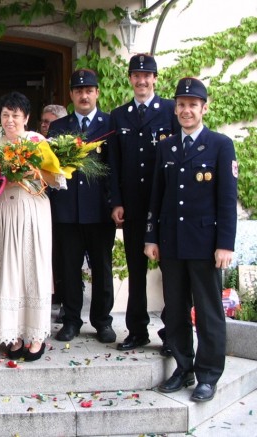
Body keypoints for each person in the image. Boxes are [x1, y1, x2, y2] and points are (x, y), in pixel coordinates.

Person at [145, 77, 237, 402]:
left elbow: (227, 199)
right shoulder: (166, 147)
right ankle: (183, 367)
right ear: (176, 108)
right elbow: (157, 196)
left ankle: (208, 376)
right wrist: (151, 237)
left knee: (209, 313)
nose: (186, 110)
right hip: (171, 243)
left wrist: (225, 244)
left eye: (193, 105)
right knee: (175, 311)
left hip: (205, 244)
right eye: (181, 105)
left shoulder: (220, 145)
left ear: (204, 108)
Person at [109, 54, 179, 353]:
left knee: (171, 272)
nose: (141, 80)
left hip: (164, 205)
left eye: (147, 75)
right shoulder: (119, 115)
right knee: (136, 271)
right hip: (134, 205)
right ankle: (137, 331)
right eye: (136, 75)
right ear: (130, 79)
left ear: (155, 79)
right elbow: (113, 163)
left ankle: (172, 334)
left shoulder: (171, 110)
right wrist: (116, 201)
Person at [0, 91, 52, 361]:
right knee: (5, 269)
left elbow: (56, 177)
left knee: (31, 267)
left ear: (26, 117)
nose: (10, 120)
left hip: (32, 208)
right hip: (3, 211)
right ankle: (13, 333)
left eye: (15, 115)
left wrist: (34, 170)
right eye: (5, 115)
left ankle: (35, 335)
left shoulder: (38, 142)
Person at [49, 69, 116, 344]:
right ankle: (71, 320)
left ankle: (102, 321)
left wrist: (115, 203)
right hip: (67, 211)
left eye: (89, 90)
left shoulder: (110, 123)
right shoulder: (58, 127)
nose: (84, 95)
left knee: (102, 269)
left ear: (97, 92)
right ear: (71, 95)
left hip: (100, 210)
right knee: (69, 269)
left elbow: (115, 168)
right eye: (79, 91)